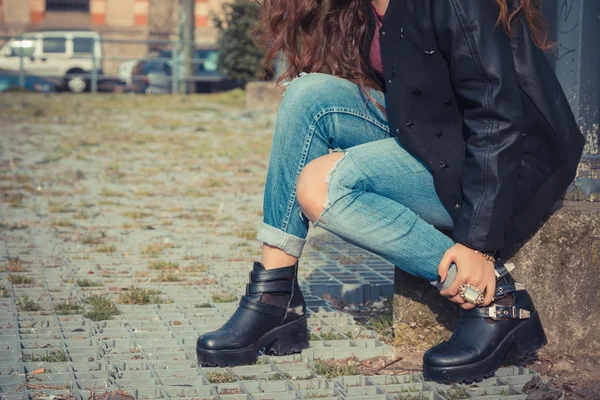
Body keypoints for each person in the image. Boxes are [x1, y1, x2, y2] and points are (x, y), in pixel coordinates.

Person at [196, 0, 585, 383]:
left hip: (509, 160)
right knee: (307, 97)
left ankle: (492, 297)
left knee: (323, 185)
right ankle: (274, 298)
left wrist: (476, 242)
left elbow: (496, 117)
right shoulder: (359, 8)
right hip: (435, 136)